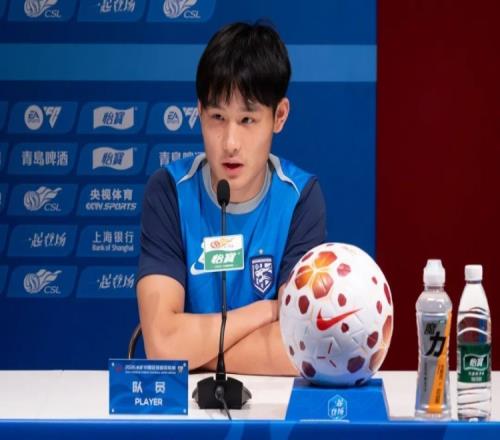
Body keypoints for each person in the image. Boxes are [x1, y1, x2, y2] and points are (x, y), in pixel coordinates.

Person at [136, 22, 326, 375]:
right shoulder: (170, 192)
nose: (230, 143)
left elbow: (299, 347)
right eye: (217, 117)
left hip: (270, 400)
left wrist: (193, 353)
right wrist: (268, 311)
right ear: (199, 112)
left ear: (279, 116)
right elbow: (162, 345)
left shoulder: (300, 197)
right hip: (187, 402)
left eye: (248, 119)